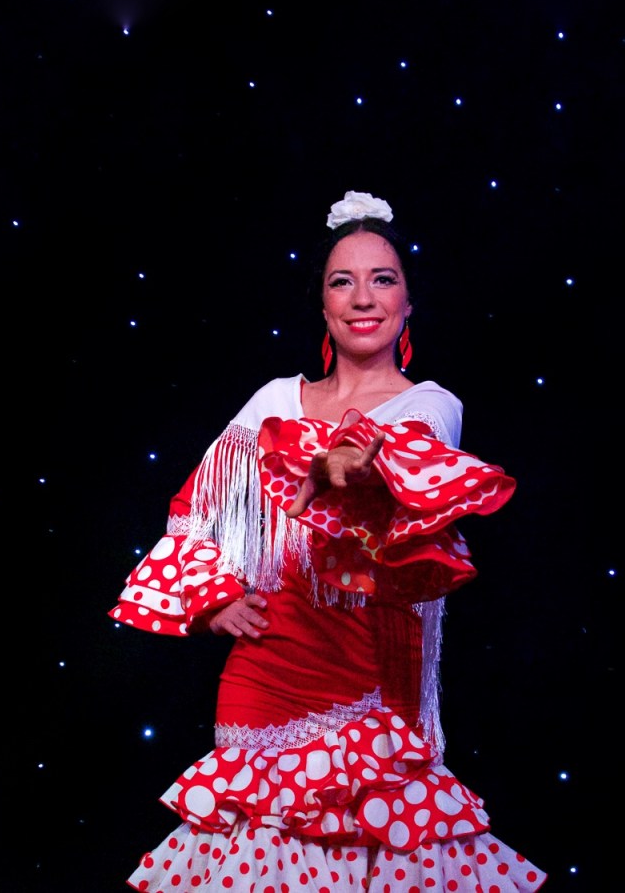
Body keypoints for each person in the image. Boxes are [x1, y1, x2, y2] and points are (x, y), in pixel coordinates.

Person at [108, 190, 547, 892]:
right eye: (343, 281)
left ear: (408, 301)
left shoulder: (431, 405)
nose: (362, 297)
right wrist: (214, 600)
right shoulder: (273, 403)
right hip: (264, 678)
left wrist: (348, 465)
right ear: (322, 305)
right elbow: (197, 506)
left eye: (383, 279)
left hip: (371, 687)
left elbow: (413, 459)